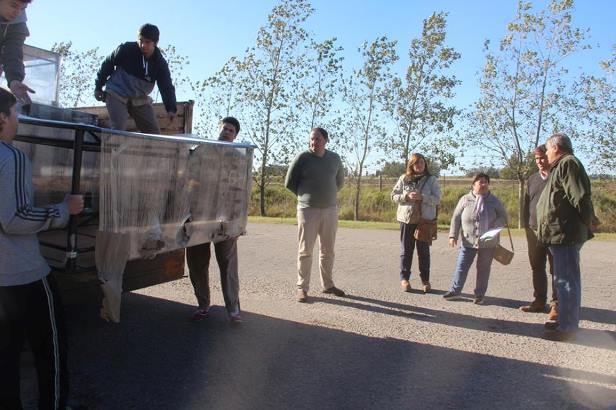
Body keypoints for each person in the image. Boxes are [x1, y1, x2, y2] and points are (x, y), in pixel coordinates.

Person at [0, 88, 84, 409]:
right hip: (26, 278)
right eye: (15, 113)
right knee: (50, 353)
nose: (18, 120)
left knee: (5, 361)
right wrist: (64, 209)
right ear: (2, 118)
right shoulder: (12, 156)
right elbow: (16, 218)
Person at [537, 133, 597, 341]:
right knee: (562, 280)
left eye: (547, 149)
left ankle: (569, 328)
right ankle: (565, 321)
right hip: (559, 234)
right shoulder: (561, 166)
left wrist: (589, 220)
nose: (545, 153)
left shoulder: (568, 163)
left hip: (566, 234)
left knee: (567, 281)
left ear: (556, 147)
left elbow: (580, 197)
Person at [186, 117, 243, 323]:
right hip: (200, 218)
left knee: (228, 264)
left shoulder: (239, 158)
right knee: (197, 263)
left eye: (230, 130)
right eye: (224, 128)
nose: (226, 131)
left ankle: (233, 310)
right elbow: (188, 181)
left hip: (226, 221)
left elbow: (241, 192)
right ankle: (203, 305)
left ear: (235, 135)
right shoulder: (202, 151)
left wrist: (237, 221)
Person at [285, 127, 345, 303]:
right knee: (305, 251)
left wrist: (327, 195)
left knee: (328, 250)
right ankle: (302, 288)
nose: (314, 142)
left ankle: (328, 285)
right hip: (307, 210)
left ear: (325, 140)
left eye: (317, 139)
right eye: (312, 139)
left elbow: (339, 182)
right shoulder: (302, 158)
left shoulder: (334, 158)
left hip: (330, 210)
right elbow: (289, 182)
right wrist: (305, 196)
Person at [94, 23, 176, 134]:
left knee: (153, 132)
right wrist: (98, 86)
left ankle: (147, 150)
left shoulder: (159, 63)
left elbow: (166, 86)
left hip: (138, 98)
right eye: (141, 41)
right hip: (117, 93)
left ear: (155, 43)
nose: (142, 45)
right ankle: (112, 149)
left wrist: (171, 108)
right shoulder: (126, 49)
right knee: (118, 129)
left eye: (147, 42)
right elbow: (107, 64)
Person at [443, 172, 508, 305]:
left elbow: (504, 217)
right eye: (480, 182)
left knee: (483, 269)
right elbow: (456, 218)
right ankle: (455, 291)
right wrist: (452, 235)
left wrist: (495, 226)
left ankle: (479, 295)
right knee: (461, 266)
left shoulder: (494, 200)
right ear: (473, 184)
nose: (483, 185)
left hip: (488, 242)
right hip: (468, 241)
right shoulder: (465, 199)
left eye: (486, 182)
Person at [391, 153, 441, 293]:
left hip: (424, 221)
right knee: (406, 251)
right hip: (407, 220)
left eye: (422, 163)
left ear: (425, 165)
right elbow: (393, 196)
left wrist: (422, 197)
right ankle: (404, 279)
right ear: (411, 165)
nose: (419, 165)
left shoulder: (432, 180)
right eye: (416, 163)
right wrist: (406, 196)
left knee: (424, 252)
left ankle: (425, 280)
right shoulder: (404, 178)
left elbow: (437, 199)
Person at [519, 144, 557, 319]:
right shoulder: (532, 179)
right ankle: (539, 301)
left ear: (549, 157)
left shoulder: (558, 177)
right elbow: (526, 204)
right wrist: (526, 225)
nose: (540, 161)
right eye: (537, 159)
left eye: (543, 157)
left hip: (554, 230)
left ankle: (556, 305)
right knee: (536, 266)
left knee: (556, 268)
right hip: (533, 230)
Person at [0, 0, 35, 104]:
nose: (18, 12)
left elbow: (13, 53)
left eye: (23, 8)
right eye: (13, 5)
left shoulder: (17, 25)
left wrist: (14, 79)